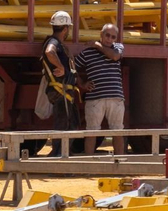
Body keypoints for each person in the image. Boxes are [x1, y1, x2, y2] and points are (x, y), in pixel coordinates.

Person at [75, 22, 126, 155]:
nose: (110, 39)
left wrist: (97, 45)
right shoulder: (87, 53)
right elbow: (71, 68)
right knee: (91, 132)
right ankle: (89, 165)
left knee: (118, 132)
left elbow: (114, 56)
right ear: (101, 35)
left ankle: (120, 163)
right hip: (95, 99)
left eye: (113, 37)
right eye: (107, 35)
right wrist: (81, 83)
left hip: (116, 99)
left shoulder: (118, 48)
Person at [40, 10, 80, 155]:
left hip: (63, 91)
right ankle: (58, 157)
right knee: (65, 127)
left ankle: (59, 155)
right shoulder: (53, 42)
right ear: (65, 29)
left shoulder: (56, 43)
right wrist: (60, 67)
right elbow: (49, 52)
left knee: (69, 125)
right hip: (60, 91)